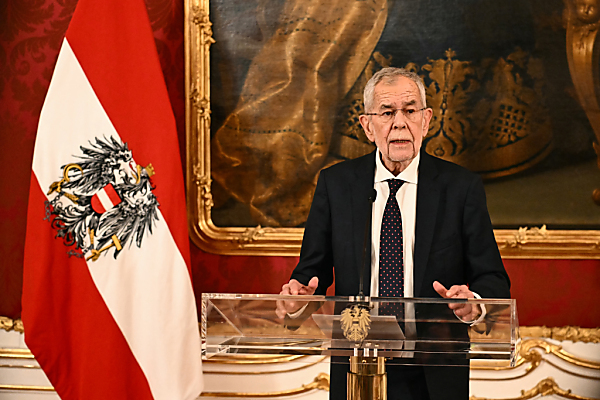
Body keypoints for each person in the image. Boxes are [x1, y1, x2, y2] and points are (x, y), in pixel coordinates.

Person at [278, 67, 511, 400]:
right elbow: (310, 274)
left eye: (410, 110)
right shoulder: (336, 185)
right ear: (368, 126)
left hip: (434, 370)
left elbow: (493, 278)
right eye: (387, 112)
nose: (400, 122)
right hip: (358, 368)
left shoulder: (460, 188)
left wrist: (472, 303)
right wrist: (299, 298)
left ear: (426, 120)